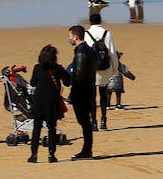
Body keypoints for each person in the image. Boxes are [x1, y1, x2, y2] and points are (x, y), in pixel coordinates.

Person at [27, 44, 70, 163]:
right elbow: (67, 82)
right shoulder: (58, 68)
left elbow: (33, 83)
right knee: (51, 129)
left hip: (39, 101)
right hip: (52, 102)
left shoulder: (37, 68)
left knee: (36, 129)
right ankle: (51, 155)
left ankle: (34, 155)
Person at [67, 25, 98, 160]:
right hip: (90, 90)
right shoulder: (89, 50)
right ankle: (87, 150)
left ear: (76, 36)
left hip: (82, 92)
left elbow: (78, 77)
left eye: (70, 36)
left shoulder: (81, 52)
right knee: (86, 122)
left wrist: (72, 95)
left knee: (84, 121)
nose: (70, 39)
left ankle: (86, 151)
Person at [84, 12, 119, 130]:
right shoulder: (107, 33)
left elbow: (84, 54)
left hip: (91, 70)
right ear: (101, 21)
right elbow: (112, 53)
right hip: (105, 68)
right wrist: (115, 69)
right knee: (103, 95)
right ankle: (104, 121)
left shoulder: (86, 34)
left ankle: (93, 122)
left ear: (90, 22)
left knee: (92, 97)